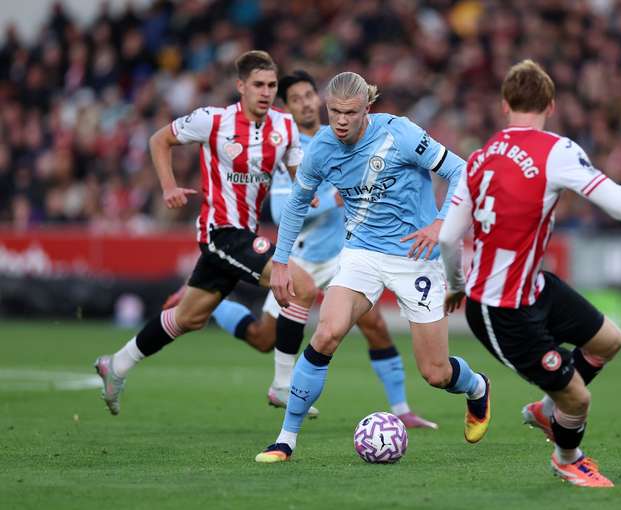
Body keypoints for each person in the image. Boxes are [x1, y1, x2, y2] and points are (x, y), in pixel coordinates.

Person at [439, 59, 621, 487]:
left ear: (503, 105)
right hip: (502, 309)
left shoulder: (476, 159)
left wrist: (455, 285)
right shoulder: (557, 150)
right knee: (578, 399)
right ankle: (568, 457)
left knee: (609, 340)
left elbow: (447, 238)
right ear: (551, 105)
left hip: (531, 289)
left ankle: (548, 411)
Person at [254, 72, 492, 463]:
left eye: (350, 112)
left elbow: (462, 172)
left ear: (368, 108)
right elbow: (297, 204)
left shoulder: (400, 133)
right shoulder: (321, 149)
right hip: (361, 253)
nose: (341, 121)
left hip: (415, 256)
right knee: (326, 333)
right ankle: (285, 440)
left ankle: (476, 387)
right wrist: (280, 262)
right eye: (334, 112)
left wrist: (440, 224)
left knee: (435, 373)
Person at [205, 70, 437, 428]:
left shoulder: (351, 133)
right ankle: (217, 305)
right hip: (303, 257)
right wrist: (335, 197)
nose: (305, 103)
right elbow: (284, 211)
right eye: (295, 99)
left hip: (344, 254)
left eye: (309, 95)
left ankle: (402, 408)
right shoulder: (287, 148)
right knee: (263, 338)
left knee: (374, 325)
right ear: (287, 108)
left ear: (320, 98)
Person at [93, 51, 318, 416]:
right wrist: (168, 187)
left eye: (272, 86)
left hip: (244, 234)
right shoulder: (213, 120)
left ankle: (115, 365)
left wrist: (312, 193)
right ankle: (283, 386)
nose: (265, 92)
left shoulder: (286, 128)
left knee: (189, 318)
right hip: (221, 233)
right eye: (258, 85)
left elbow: (299, 179)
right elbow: (158, 140)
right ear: (241, 86)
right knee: (301, 287)